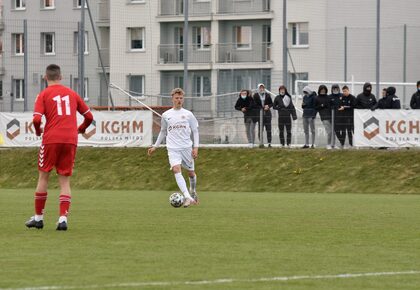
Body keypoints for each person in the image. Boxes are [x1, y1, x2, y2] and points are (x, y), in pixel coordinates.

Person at [25, 64, 94, 231]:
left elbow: (36, 120)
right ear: (61, 77)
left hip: (51, 139)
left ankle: (39, 218)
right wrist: (82, 129)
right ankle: (63, 219)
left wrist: (37, 131)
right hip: (70, 140)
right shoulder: (72, 94)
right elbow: (89, 116)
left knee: (43, 177)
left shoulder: (43, 94)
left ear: (45, 77)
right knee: (64, 181)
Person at [148, 88, 199, 208]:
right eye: (177, 98)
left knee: (191, 173)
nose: (179, 100)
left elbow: (195, 131)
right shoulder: (166, 115)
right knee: (176, 169)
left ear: (183, 99)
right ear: (172, 99)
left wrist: (195, 148)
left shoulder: (188, 114)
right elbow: (163, 131)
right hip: (172, 148)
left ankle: (192, 190)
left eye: (181, 98)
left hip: (186, 147)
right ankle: (187, 197)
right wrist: (155, 146)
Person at [315, 85, 333, 149]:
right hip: (324, 117)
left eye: (324, 89)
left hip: (332, 116)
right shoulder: (317, 98)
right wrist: (321, 106)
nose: (323, 90)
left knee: (333, 131)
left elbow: (331, 106)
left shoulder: (328, 97)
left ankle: (332, 145)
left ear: (326, 90)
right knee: (329, 131)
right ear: (319, 90)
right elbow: (315, 108)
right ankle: (328, 144)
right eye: (321, 89)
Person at [329, 84, 342, 149]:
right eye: (334, 89)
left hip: (342, 116)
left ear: (338, 89)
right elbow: (328, 105)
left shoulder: (341, 96)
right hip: (333, 116)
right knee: (335, 131)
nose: (335, 90)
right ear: (332, 89)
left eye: (336, 88)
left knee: (342, 130)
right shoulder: (330, 97)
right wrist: (332, 107)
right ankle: (334, 144)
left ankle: (342, 143)